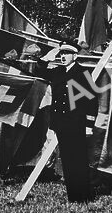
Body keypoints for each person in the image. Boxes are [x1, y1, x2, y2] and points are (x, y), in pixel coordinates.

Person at [38, 42, 94, 203]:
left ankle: (84, 196)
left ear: (74, 56)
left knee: (79, 160)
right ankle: (73, 196)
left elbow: (91, 101)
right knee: (68, 160)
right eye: (61, 54)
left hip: (76, 122)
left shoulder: (83, 73)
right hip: (61, 123)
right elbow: (40, 71)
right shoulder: (58, 72)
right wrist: (46, 58)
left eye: (67, 54)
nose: (63, 57)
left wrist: (89, 126)